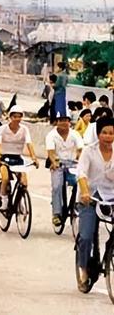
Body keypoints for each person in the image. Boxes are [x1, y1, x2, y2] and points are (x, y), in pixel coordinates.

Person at [76, 117, 114, 292]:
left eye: (111, 133)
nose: (108, 137)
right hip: (91, 198)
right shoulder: (88, 152)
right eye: (104, 133)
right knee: (86, 237)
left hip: (111, 197)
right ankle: (83, 268)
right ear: (98, 134)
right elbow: (81, 173)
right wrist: (85, 192)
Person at [0, 106, 40, 211]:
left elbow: (29, 144)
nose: (17, 119)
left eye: (19, 117)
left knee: (24, 181)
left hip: (17, 157)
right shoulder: (2, 129)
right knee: (5, 178)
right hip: (4, 158)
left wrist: (34, 157)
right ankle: (4, 201)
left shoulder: (24, 129)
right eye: (15, 117)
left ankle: (20, 200)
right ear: (10, 117)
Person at [45, 113, 83, 226]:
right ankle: (56, 213)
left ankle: (76, 204)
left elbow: (80, 149)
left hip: (73, 164)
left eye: (66, 120)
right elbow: (51, 152)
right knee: (57, 186)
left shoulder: (75, 134)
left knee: (79, 183)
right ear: (57, 122)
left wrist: (80, 160)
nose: (64, 123)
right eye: (61, 120)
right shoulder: (51, 135)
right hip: (58, 163)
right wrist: (53, 162)